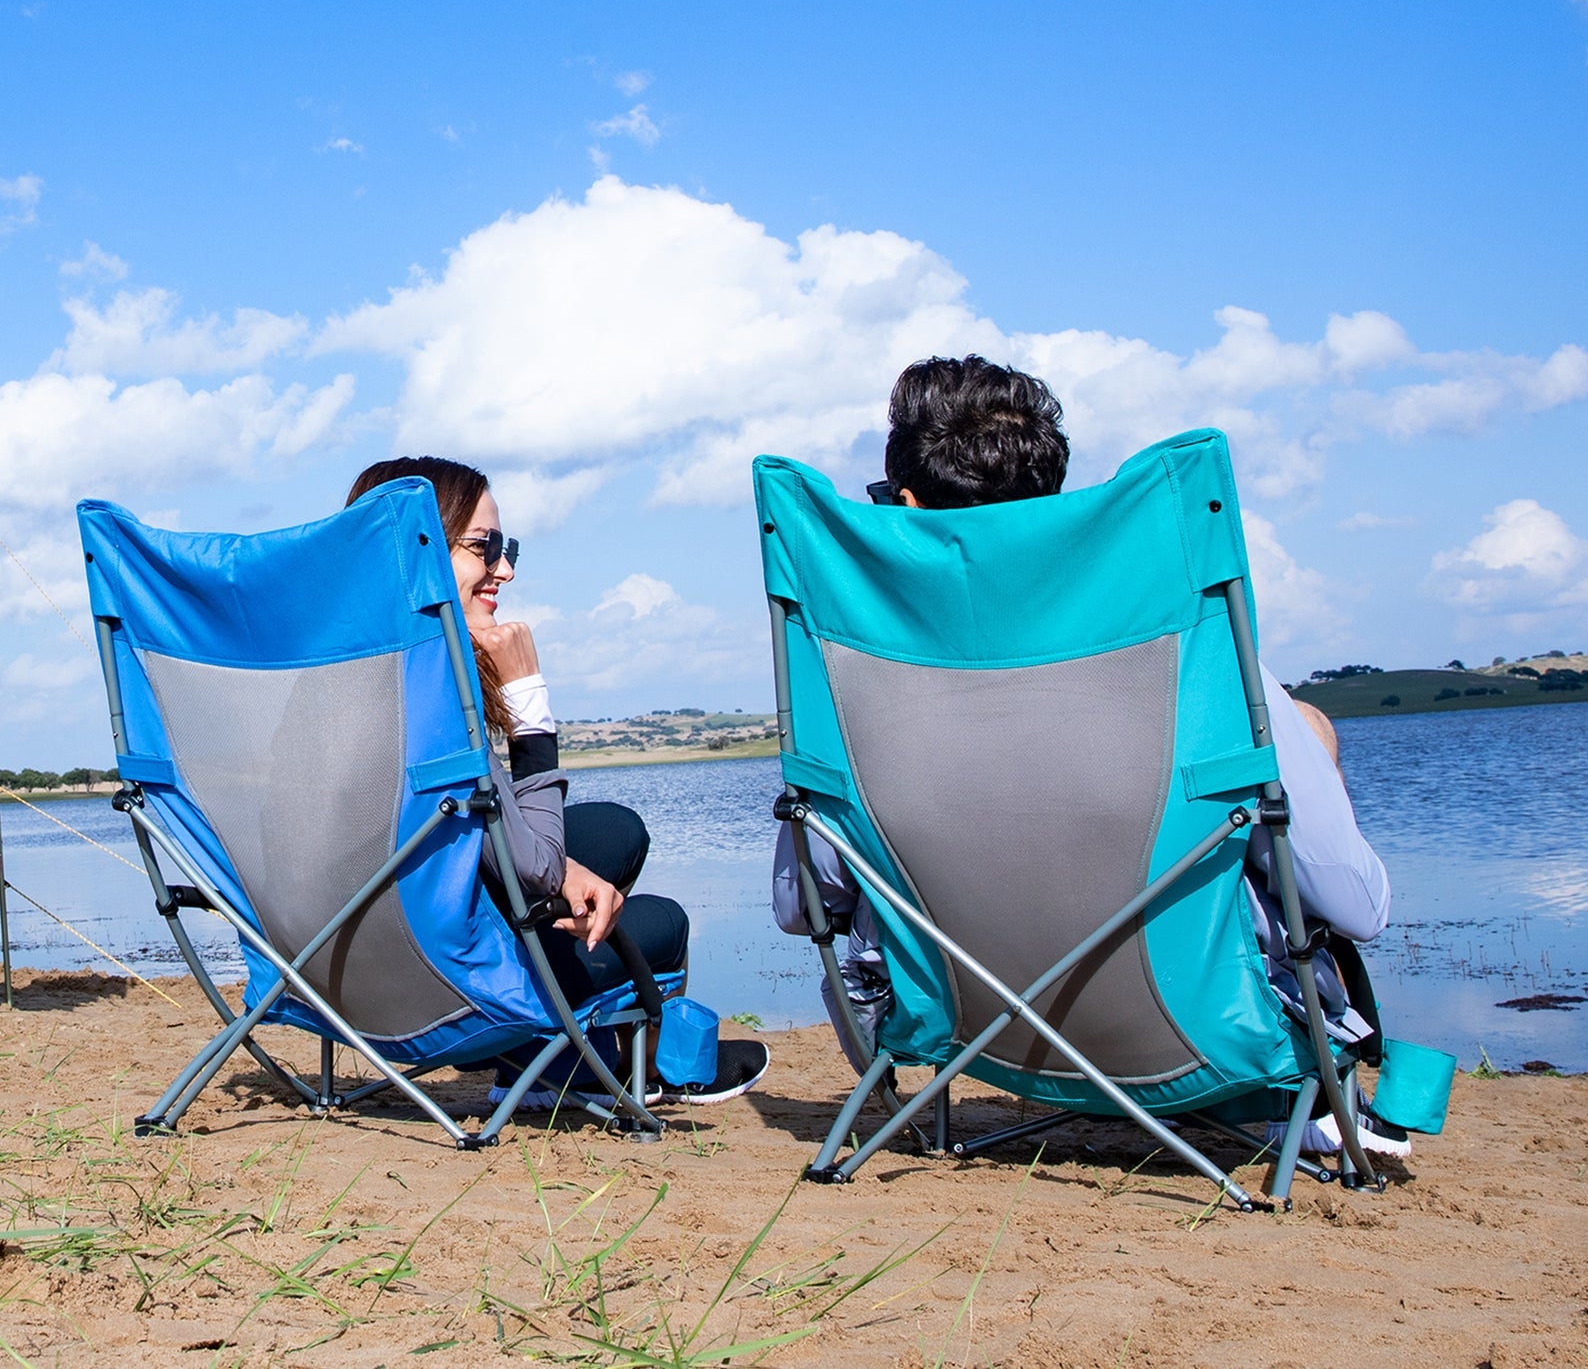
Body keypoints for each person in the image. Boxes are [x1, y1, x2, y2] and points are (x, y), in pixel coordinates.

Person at [771, 355, 1405, 1153]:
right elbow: (1360, 910)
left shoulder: (852, 699)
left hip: (960, 1033)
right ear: (1056, 508)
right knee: (1300, 731)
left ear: (903, 511)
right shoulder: (1207, 685)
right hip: (1204, 1034)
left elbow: (802, 909)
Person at [348, 456, 769, 1108]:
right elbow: (536, 871)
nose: (505, 570)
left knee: (613, 836)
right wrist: (526, 706)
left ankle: (556, 1055)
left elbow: (445, 833)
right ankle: (628, 1064)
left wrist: (554, 870)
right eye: (485, 548)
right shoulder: (434, 698)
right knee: (662, 923)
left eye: (506, 549)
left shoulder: (336, 681)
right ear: (418, 556)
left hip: (335, 965)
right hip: (441, 986)